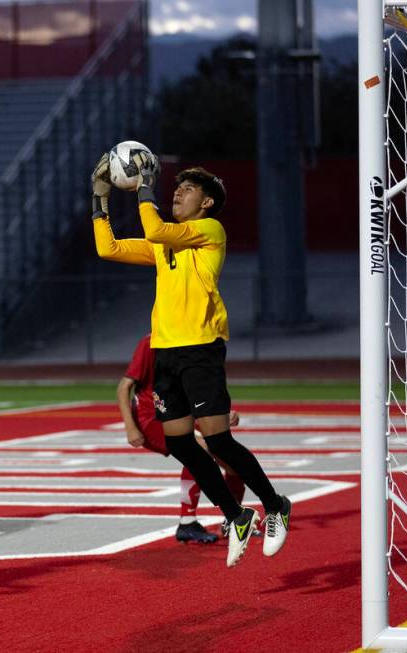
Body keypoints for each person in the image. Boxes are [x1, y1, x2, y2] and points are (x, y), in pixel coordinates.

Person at [92, 157, 291, 567]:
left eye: (188, 190)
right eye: (176, 187)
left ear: (206, 204)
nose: (178, 192)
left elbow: (156, 228)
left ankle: (275, 505)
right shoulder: (165, 243)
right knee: (182, 443)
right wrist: (100, 198)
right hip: (165, 353)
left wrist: (145, 187)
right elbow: (106, 247)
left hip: (200, 347)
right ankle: (237, 515)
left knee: (218, 441)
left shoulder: (208, 230)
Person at [118, 333, 246, 544]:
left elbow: (200, 386)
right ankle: (187, 522)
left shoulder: (195, 340)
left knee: (232, 459)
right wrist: (130, 427)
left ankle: (234, 521)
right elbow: (124, 386)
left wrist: (223, 412)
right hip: (152, 417)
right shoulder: (151, 341)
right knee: (198, 451)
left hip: (181, 411)